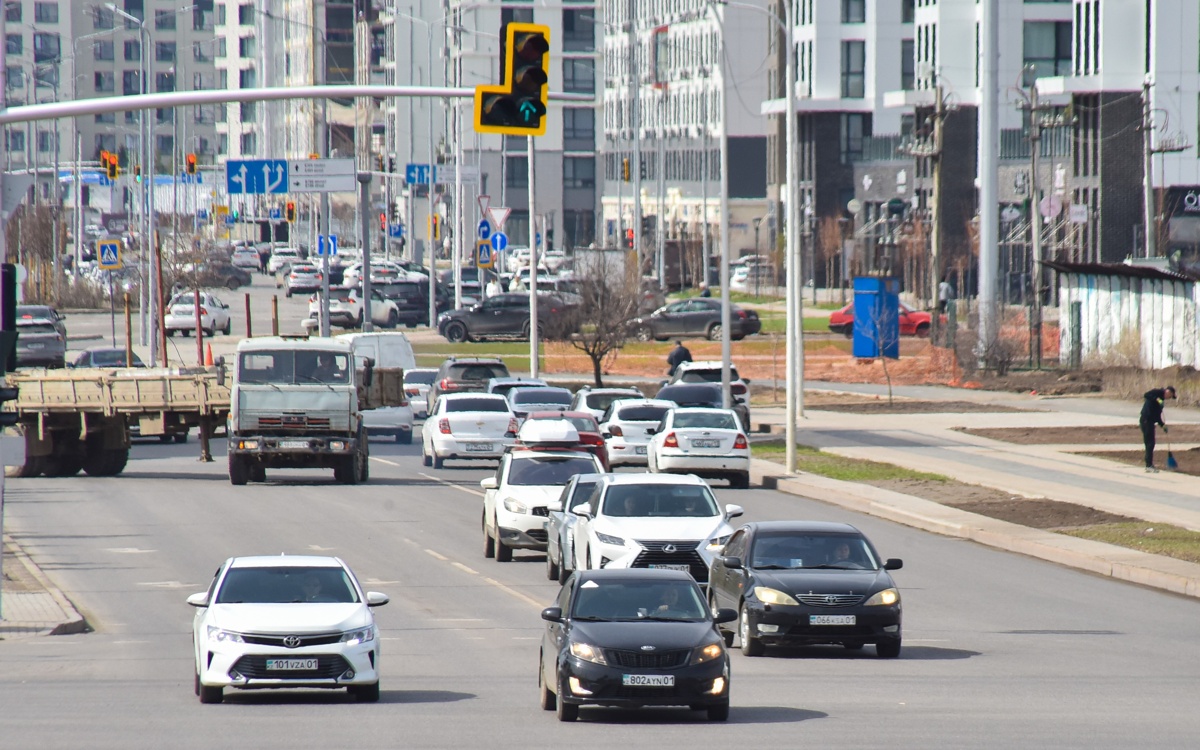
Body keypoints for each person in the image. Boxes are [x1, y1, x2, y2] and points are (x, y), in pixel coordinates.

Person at [1140, 385, 1176, 472]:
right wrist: (1157, 399)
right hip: (1146, 420)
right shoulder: (1157, 392)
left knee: (1150, 443)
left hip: (1150, 422)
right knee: (1150, 443)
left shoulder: (1161, 402)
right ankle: (1148, 466)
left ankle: (1149, 464)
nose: (1169, 398)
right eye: (1170, 396)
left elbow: (1157, 416)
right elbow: (1146, 395)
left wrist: (1162, 425)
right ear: (1168, 392)